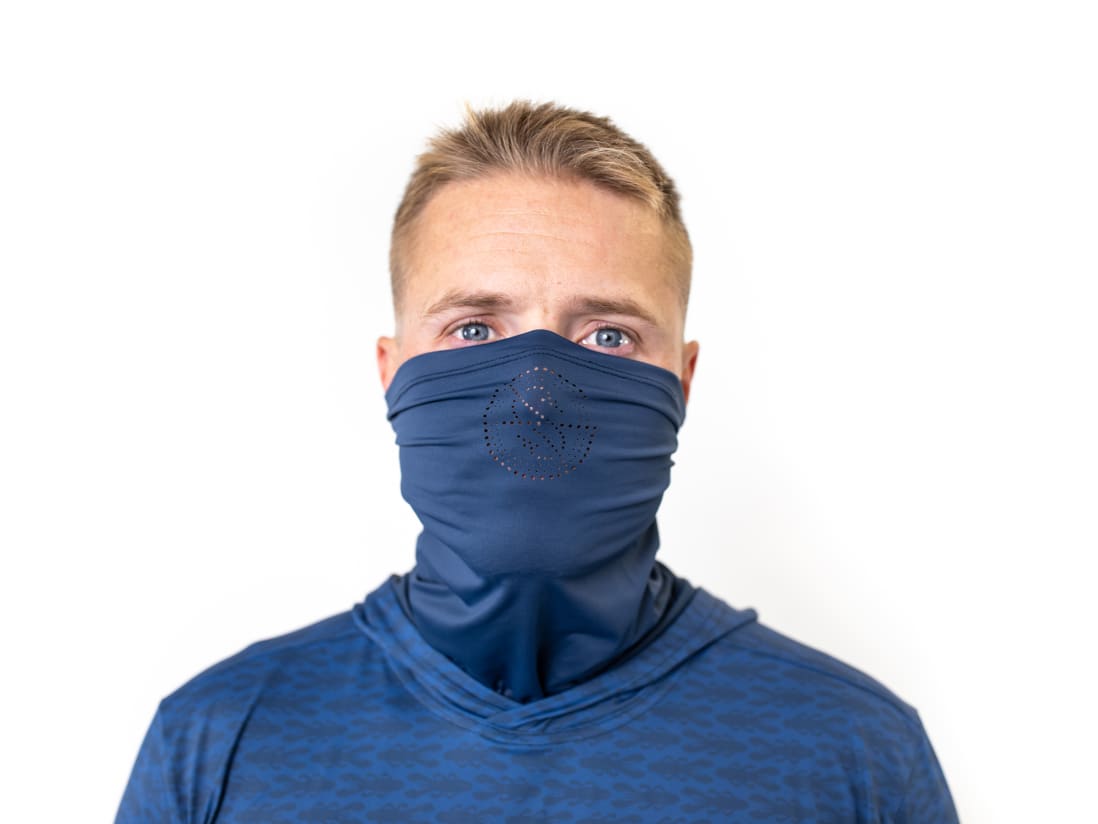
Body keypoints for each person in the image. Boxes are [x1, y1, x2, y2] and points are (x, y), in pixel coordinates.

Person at [116, 100, 958, 822]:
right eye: (474, 329)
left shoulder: (856, 753)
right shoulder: (218, 741)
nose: (537, 397)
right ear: (392, 374)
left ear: (682, 381)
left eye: (608, 335)